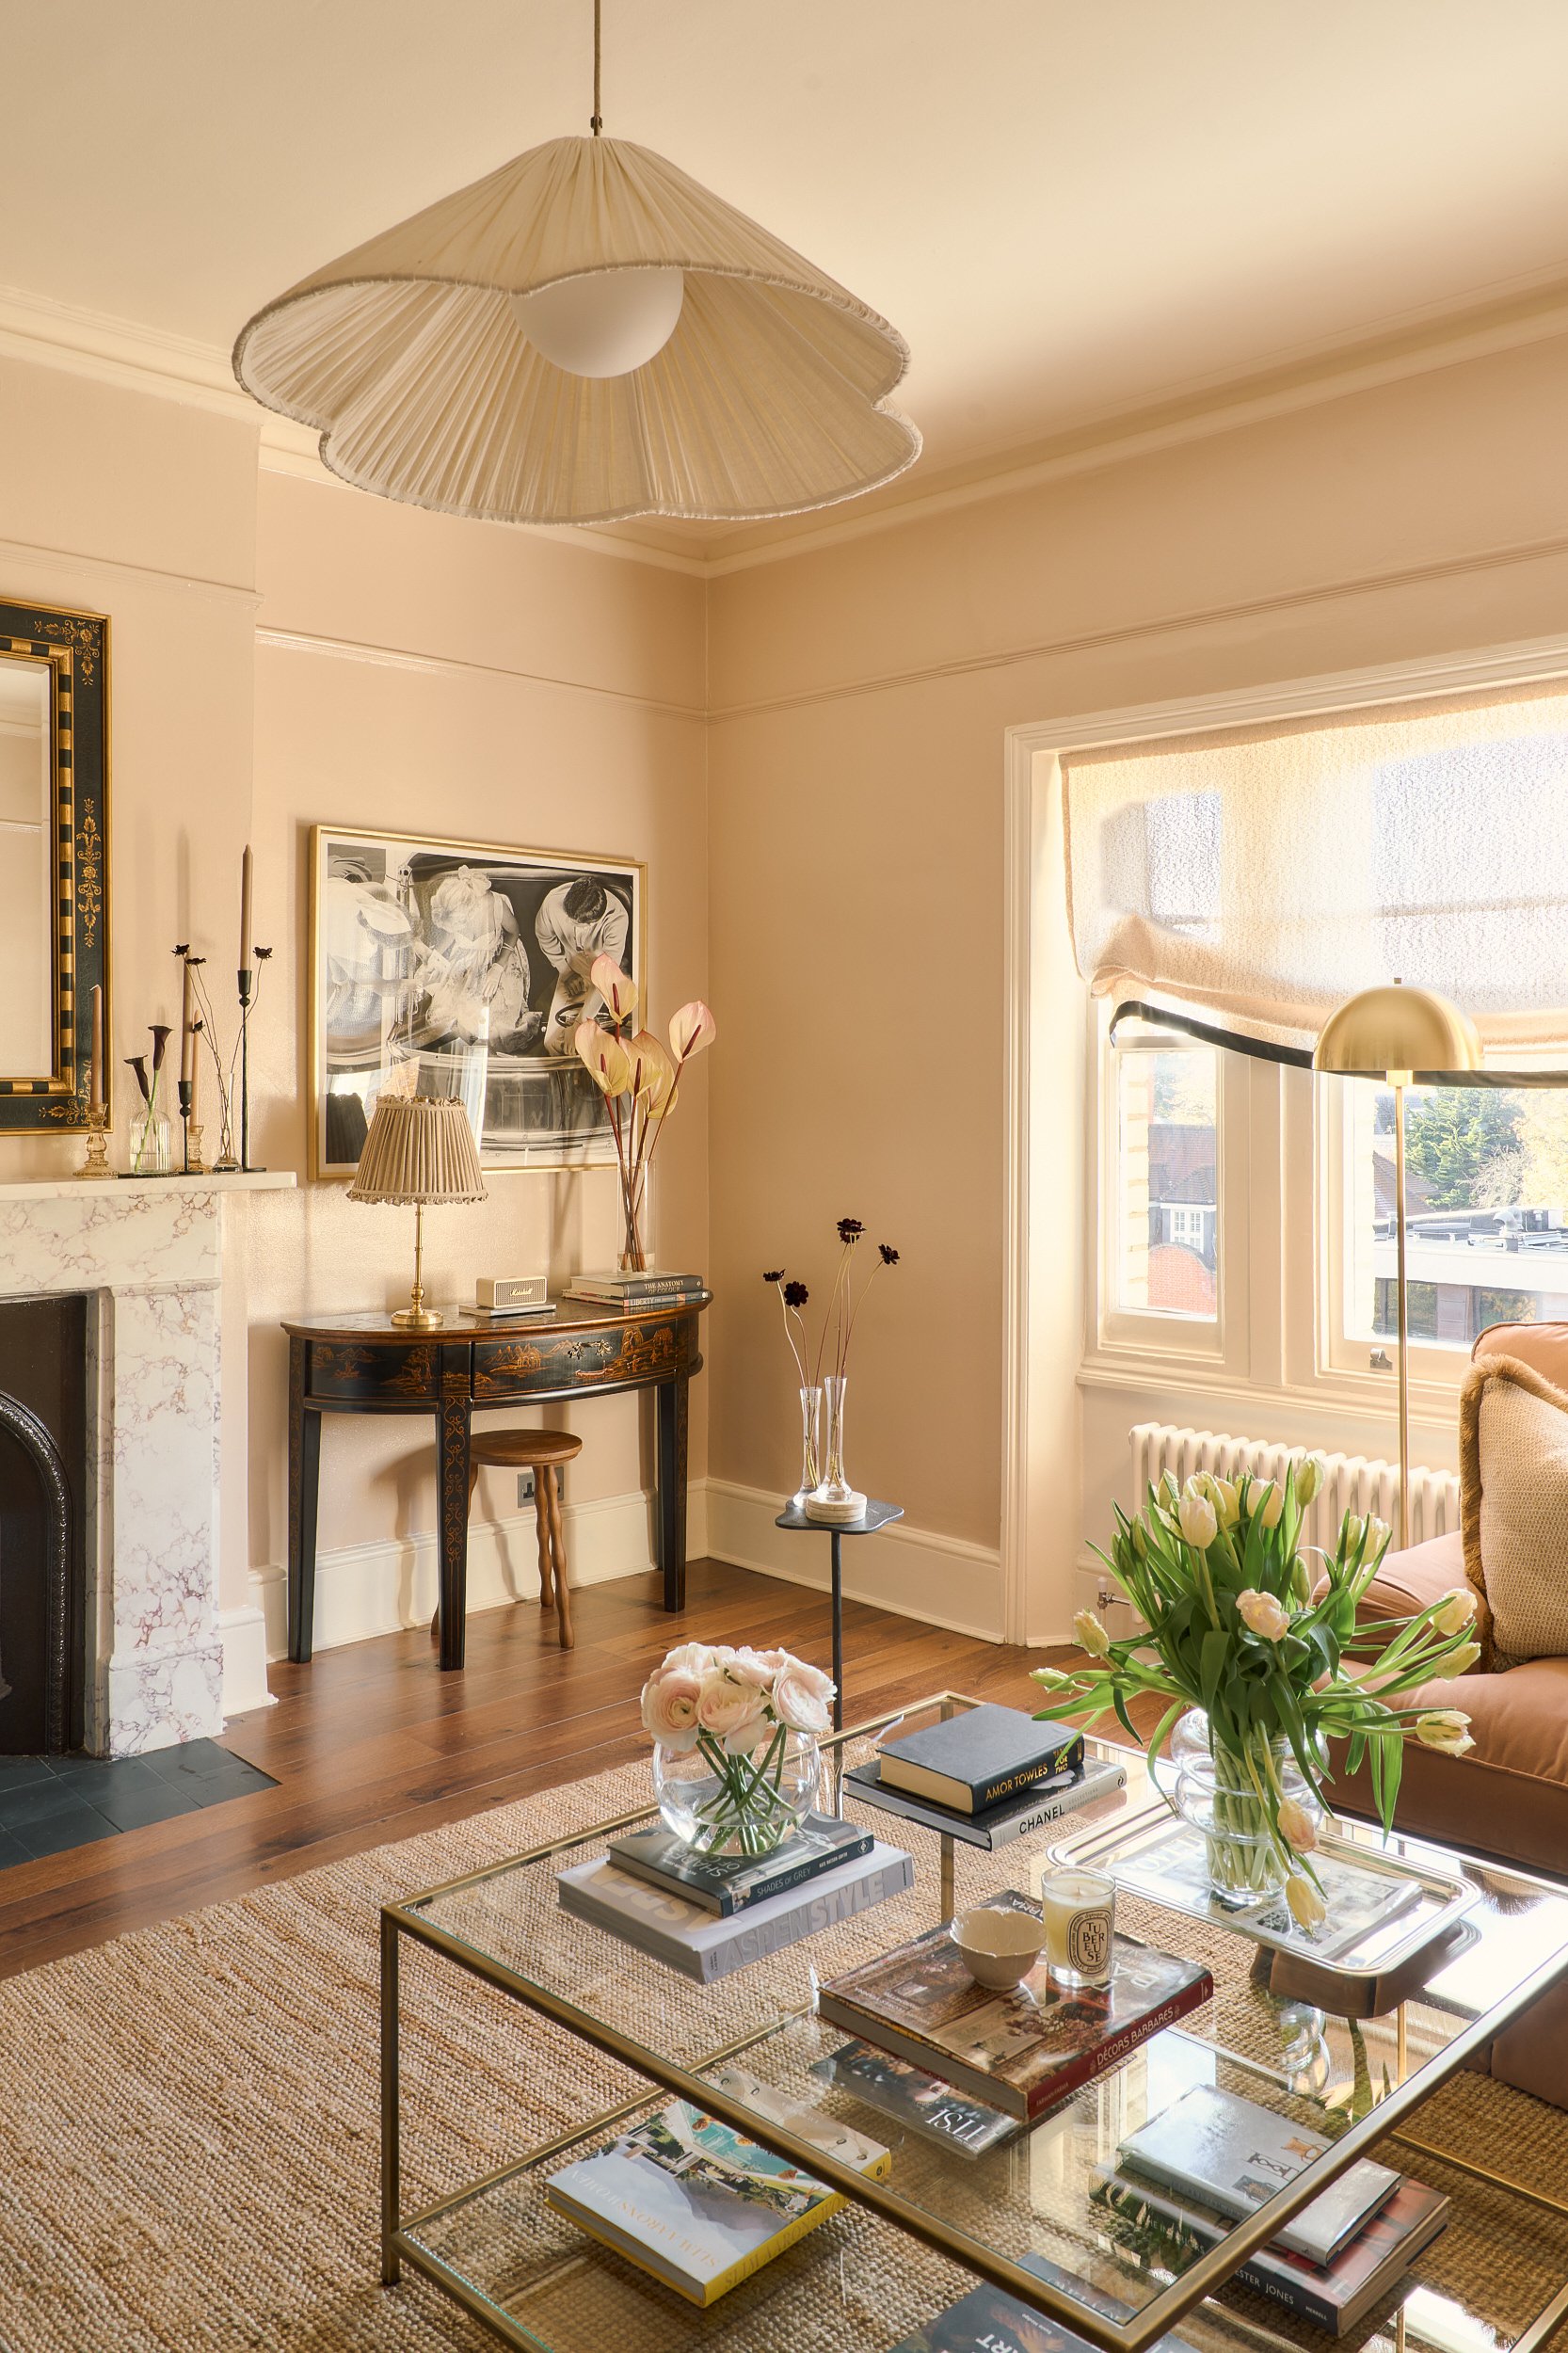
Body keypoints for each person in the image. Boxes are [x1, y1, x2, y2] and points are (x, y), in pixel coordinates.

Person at [534, 873, 632, 1052]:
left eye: (587, 925)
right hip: (572, 969)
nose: (579, 930)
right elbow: (545, 938)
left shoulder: (617, 917)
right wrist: (566, 972)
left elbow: (607, 977)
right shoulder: (551, 904)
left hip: (610, 977)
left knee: (586, 1047)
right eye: (574, 923)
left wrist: (580, 1023)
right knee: (552, 1044)